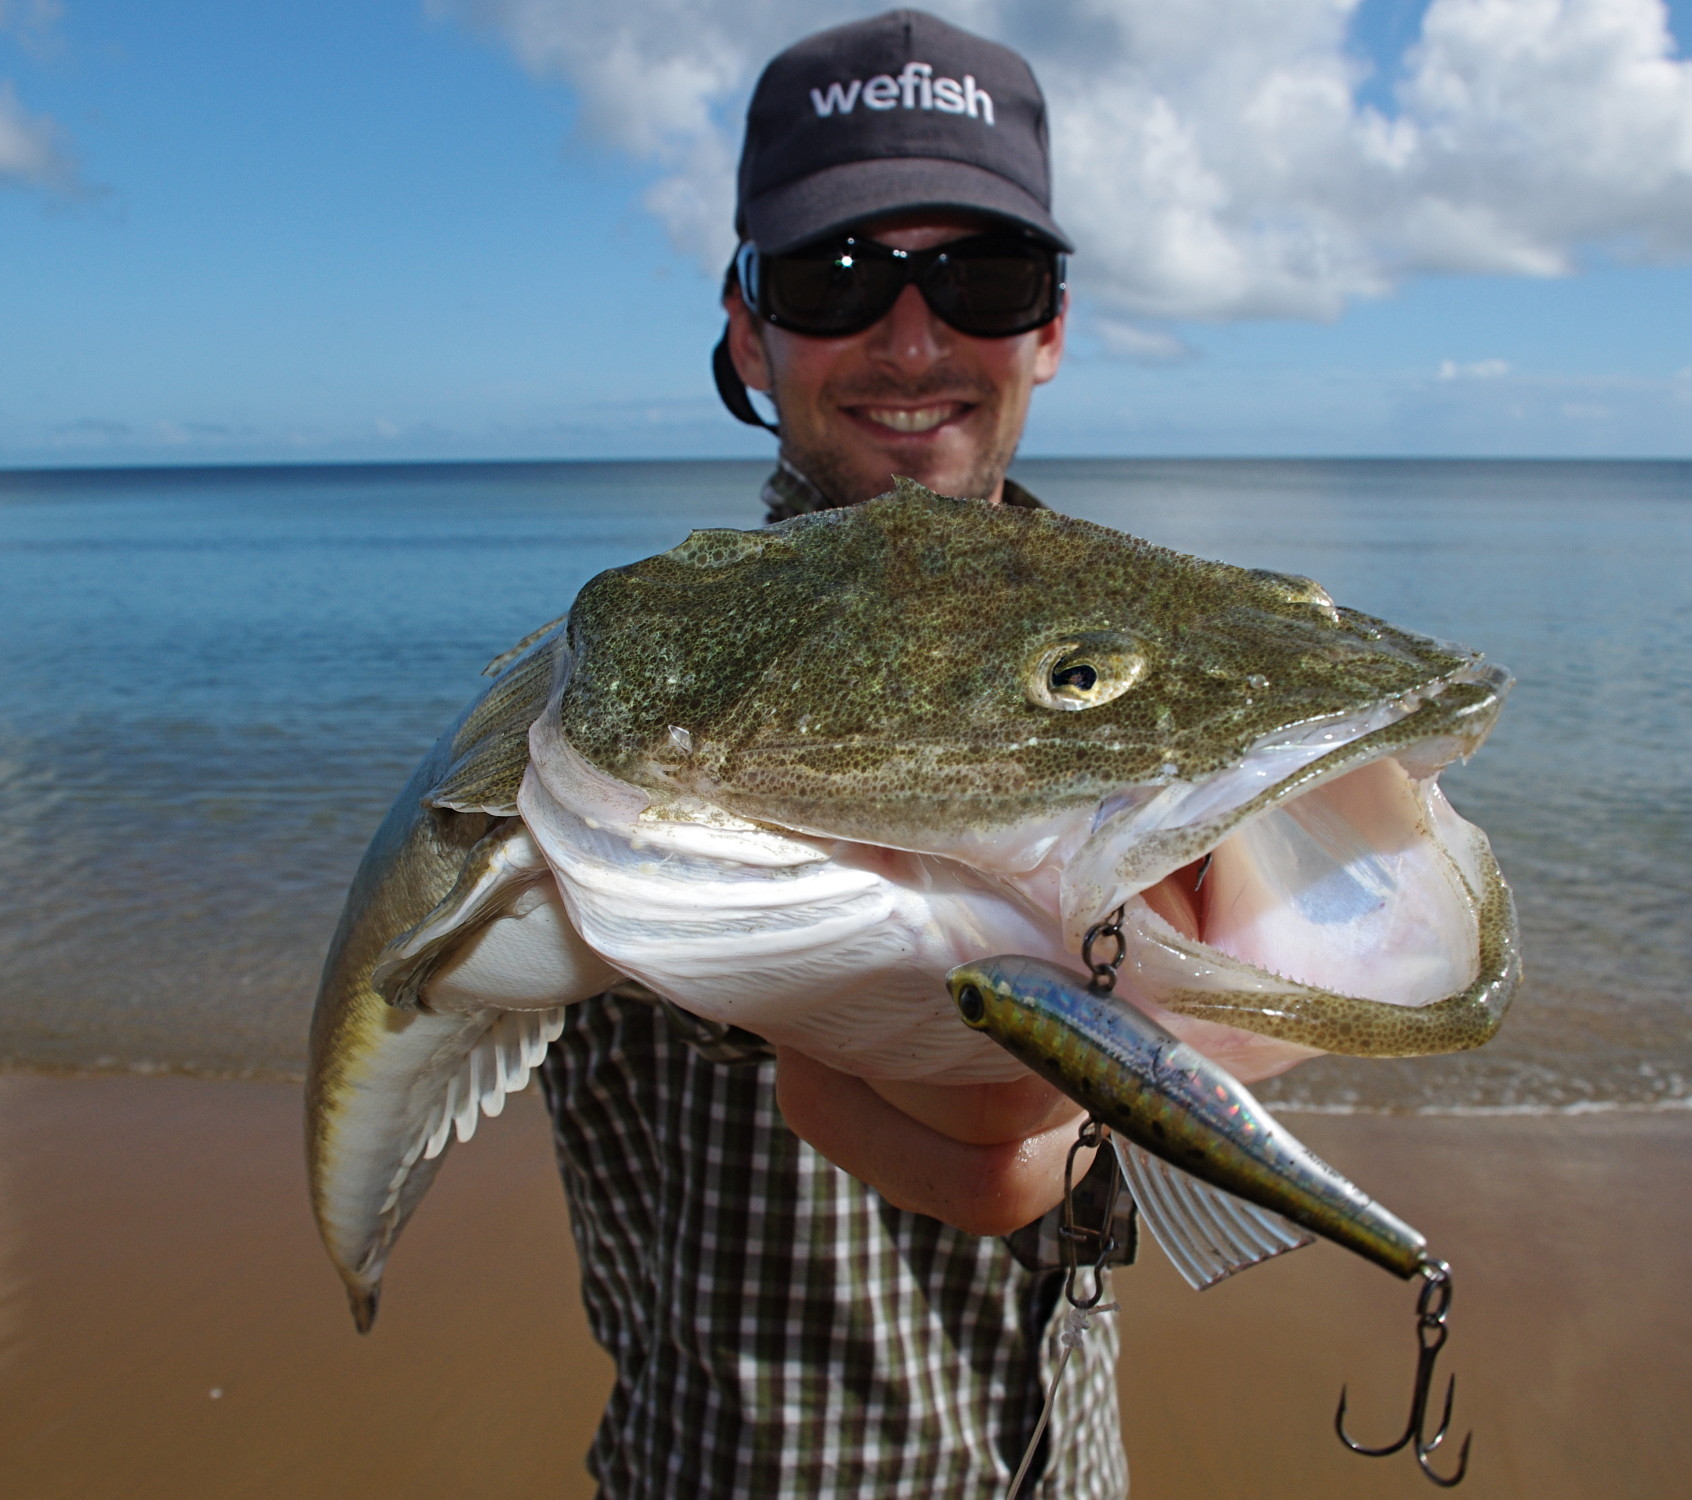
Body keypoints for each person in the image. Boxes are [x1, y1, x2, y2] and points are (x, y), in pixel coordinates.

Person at [540, 12, 1133, 1499]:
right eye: (837, 276)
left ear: (1050, 326)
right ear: (749, 327)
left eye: (982, 278)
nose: (914, 341)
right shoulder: (607, 703)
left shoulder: (1163, 677)